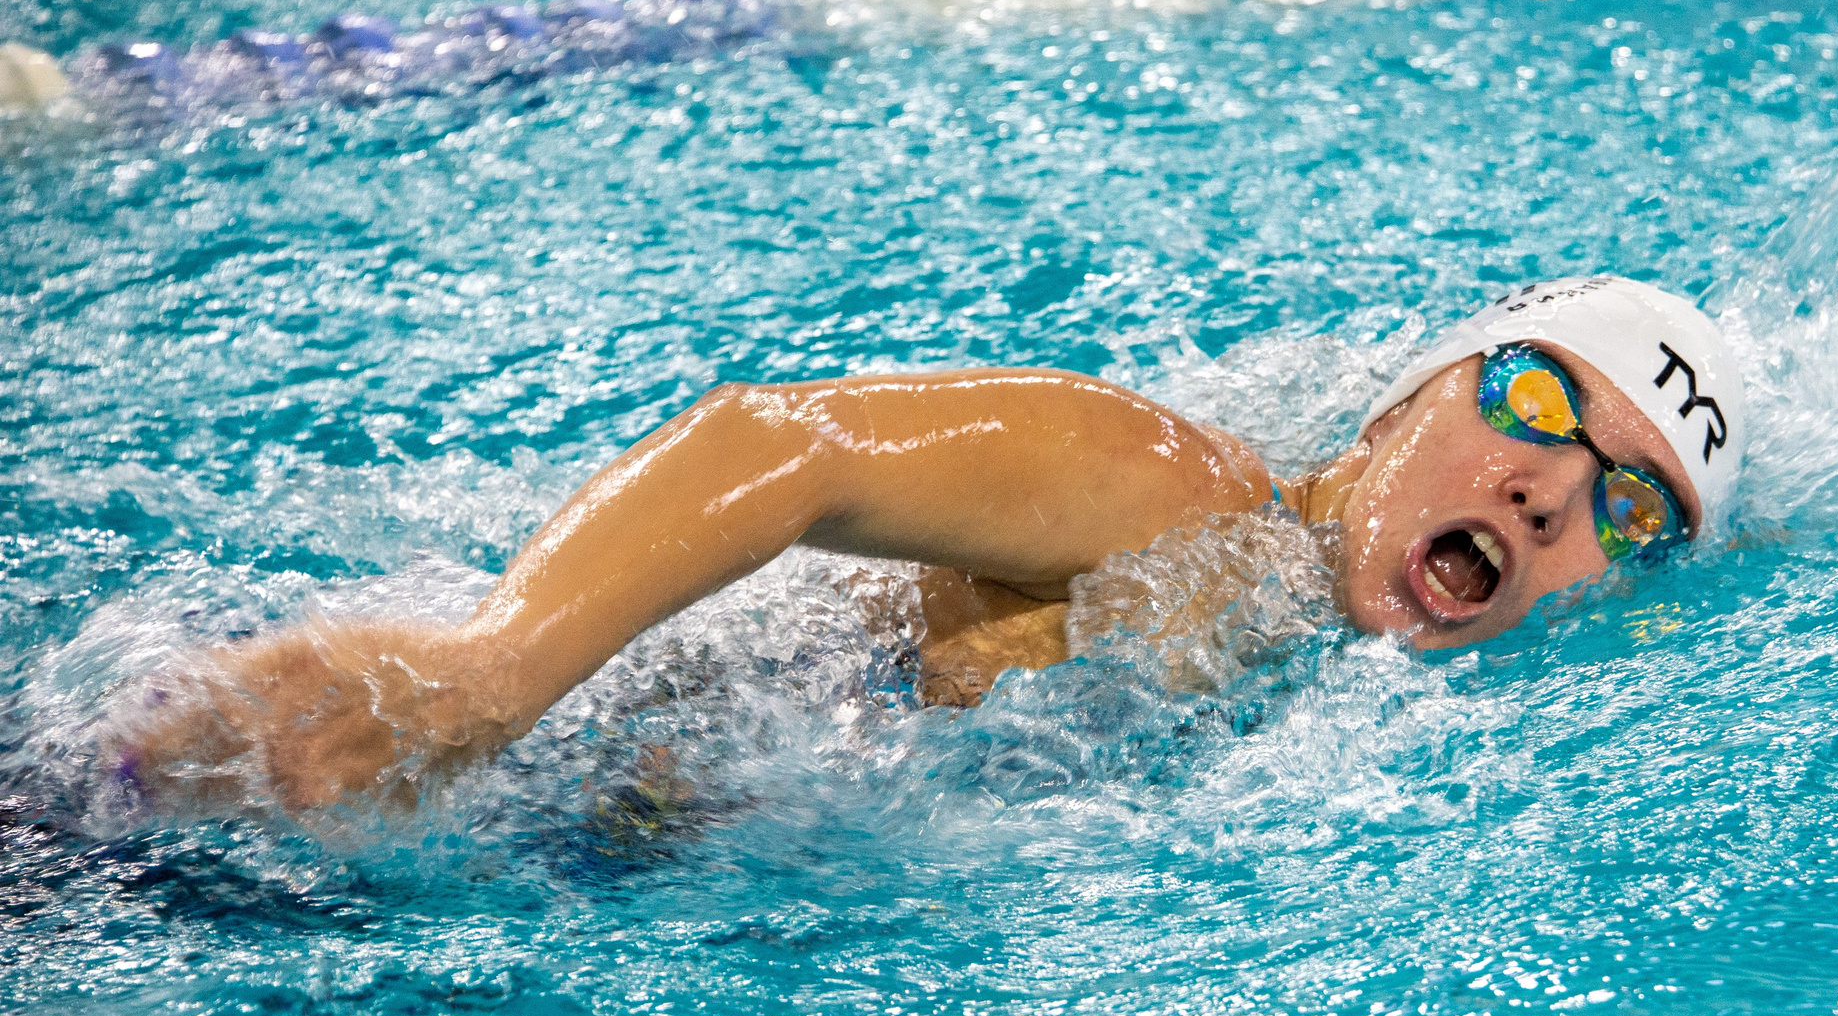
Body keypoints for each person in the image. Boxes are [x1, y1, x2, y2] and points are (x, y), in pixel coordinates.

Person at [118, 276, 1744, 815]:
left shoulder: (1343, 690)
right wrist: (488, 674)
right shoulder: (1185, 495)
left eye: (1628, 506)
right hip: (507, 762)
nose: (1548, 490)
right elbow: (779, 439)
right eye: (1535, 399)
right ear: (1405, 399)